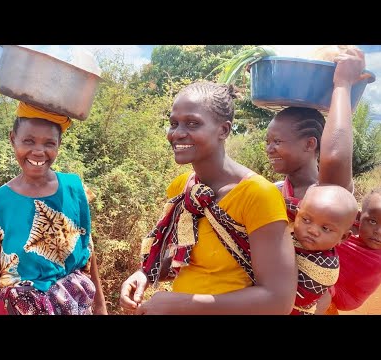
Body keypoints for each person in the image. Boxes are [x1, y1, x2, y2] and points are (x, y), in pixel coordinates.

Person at [119, 81, 298, 315]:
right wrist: (144, 273)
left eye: (192, 123)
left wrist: (179, 304)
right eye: (173, 123)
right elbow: (181, 256)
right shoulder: (183, 187)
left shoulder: (257, 195)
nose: (177, 133)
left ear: (223, 130)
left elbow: (278, 301)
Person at [0, 101, 107, 315]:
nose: (38, 151)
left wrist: (100, 306)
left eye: (49, 143)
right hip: (21, 308)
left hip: (74, 304)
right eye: (29, 141)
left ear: (59, 144)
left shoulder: (74, 187)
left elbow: (87, 251)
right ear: (12, 139)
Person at [266, 48, 366, 221]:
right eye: (267, 141)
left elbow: (335, 157)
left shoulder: (331, 192)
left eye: (277, 141)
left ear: (310, 144)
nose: (269, 149)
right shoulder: (273, 192)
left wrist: (342, 84)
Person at [287, 184, 359, 315]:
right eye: (306, 219)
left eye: (325, 228)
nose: (313, 231)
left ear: (343, 237)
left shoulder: (325, 268)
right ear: (297, 215)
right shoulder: (292, 234)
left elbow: (288, 295)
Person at [316, 186, 381, 314]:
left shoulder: (379, 262)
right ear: (358, 217)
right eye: (372, 221)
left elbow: (330, 243)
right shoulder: (351, 229)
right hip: (331, 283)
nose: (379, 232)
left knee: (321, 292)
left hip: (345, 296)